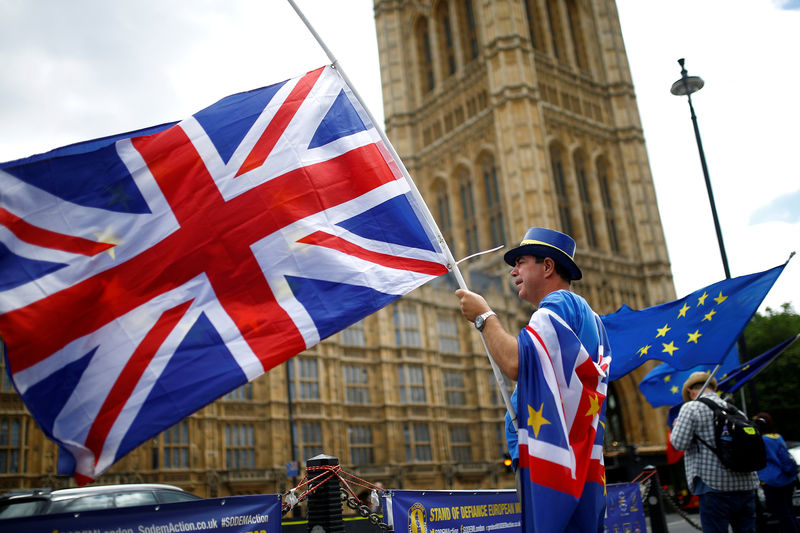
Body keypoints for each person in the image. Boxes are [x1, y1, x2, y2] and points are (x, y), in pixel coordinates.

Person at [456, 227, 609, 531]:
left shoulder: (559, 303)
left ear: (548, 266)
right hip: (577, 457)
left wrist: (484, 316)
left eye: (521, 262)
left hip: (552, 460)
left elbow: (514, 362)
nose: (513, 272)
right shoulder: (591, 317)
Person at [670, 371, 760, 533]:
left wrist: (676, 426)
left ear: (690, 391)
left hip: (713, 485)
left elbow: (679, 443)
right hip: (746, 484)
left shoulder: (691, 408)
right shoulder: (734, 410)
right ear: (713, 387)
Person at [753, 411, 799, 533]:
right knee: (789, 511)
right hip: (788, 479)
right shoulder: (778, 437)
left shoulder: (762, 440)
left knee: (781, 513)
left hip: (772, 481)